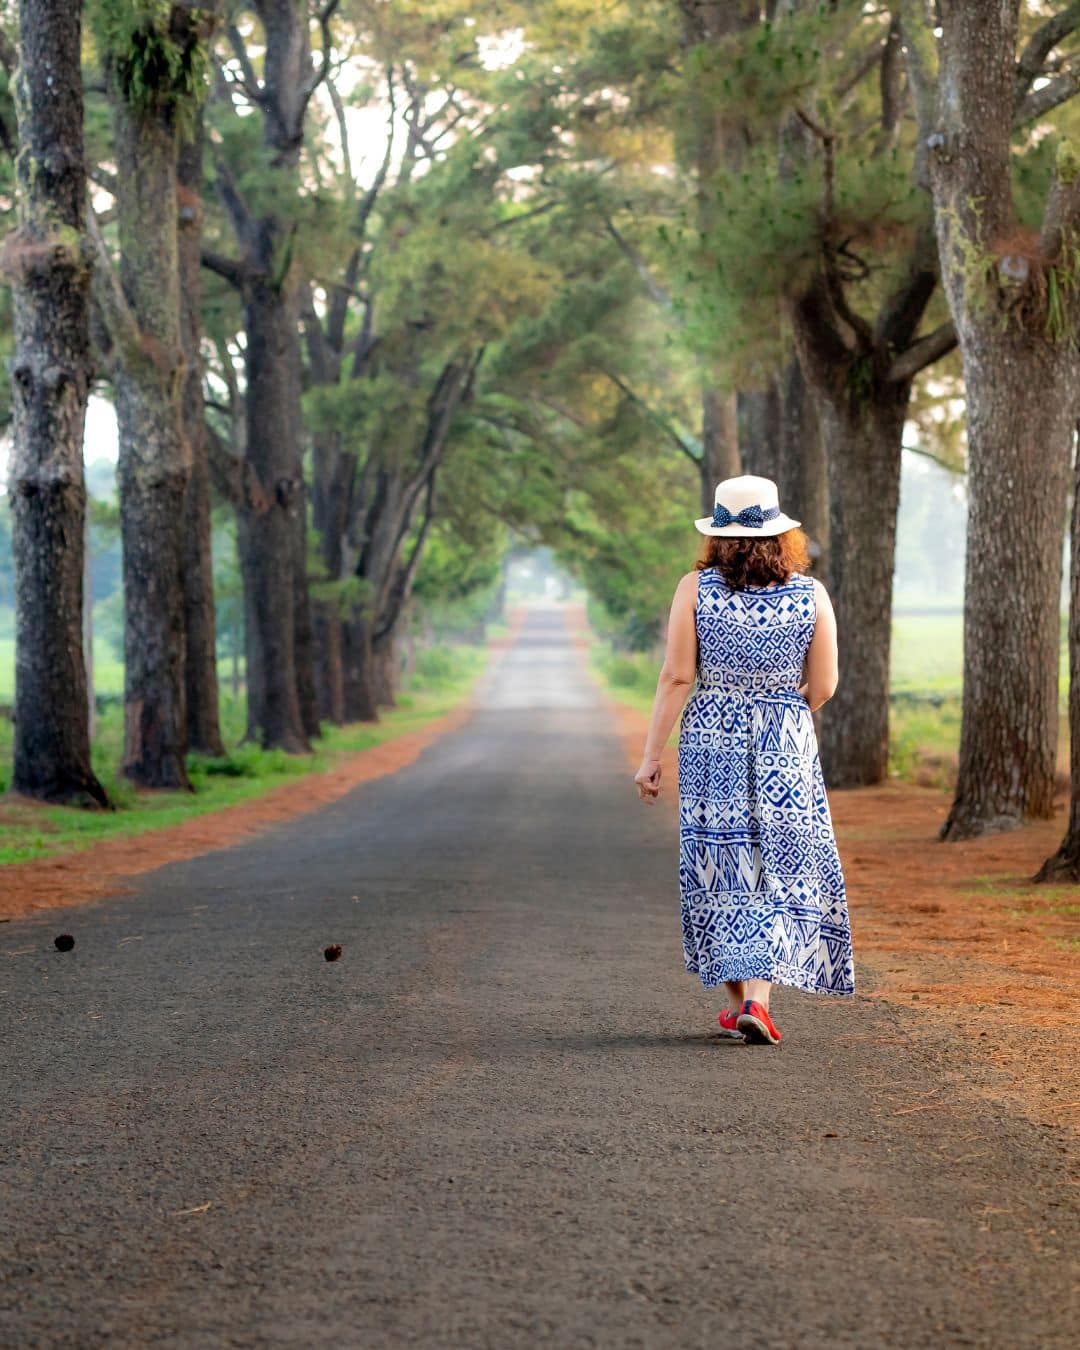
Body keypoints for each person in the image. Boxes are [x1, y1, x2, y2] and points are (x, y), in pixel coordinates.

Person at [634, 474, 855, 1045]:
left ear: (716, 536)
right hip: (785, 739)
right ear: (783, 535)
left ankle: (741, 1004)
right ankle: (755, 1002)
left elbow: (678, 675)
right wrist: (785, 712)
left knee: (723, 864)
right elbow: (825, 684)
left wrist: (651, 756)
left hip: (714, 739)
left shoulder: (695, 589)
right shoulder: (812, 595)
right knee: (777, 867)